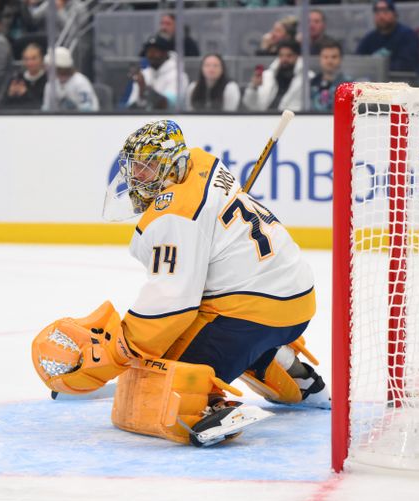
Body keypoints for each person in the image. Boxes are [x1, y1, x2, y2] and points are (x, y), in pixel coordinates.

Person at [31, 120, 329, 447]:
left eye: (147, 168)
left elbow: (172, 304)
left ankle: (209, 404)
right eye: (135, 167)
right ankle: (292, 374)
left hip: (254, 309)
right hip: (293, 297)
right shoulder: (200, 163)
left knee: (166, 373)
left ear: (171, 165)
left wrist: (119, 353)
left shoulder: (174, 213)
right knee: (171, 346)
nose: (136, 177)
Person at [355, 0, 419, 83]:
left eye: (385, 11)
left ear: (395, 14)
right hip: (376, 85)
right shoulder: (370, 38)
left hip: (406, 84)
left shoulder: (408, 35)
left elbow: (407, 65)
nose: (381, 16)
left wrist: (376, 66)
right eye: (377, 12)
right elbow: (358, 60)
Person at [124, 34, 189, 111]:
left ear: (165, 53)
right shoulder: (144, 74)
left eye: (155, 51)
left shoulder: (178, 76)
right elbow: (131, 108)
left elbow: (167, 104)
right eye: (148, 51)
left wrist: (144, 88)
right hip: (143, 121)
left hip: (171, 121)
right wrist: (140, 92)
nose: (151, 55)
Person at [243, 39, 309, 112]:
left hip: (292, 120)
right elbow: (250, 105)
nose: (284, 59)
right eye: (281, 55)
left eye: (289, 55)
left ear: (297, 56)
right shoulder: (267, 76)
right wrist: (254, 87)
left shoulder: (307, 78)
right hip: (265, 118)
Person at [41, 46, 98, 112]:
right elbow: (46, 109)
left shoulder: (80, 82)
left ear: (59, 67)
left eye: (49, 66)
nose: (46, 69)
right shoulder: (50, 85)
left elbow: (88, 110)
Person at [0, 42, 46, 109]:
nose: (30, 63)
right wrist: (9, 95)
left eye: (33, 58)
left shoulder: (47, 80)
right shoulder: (16, 79)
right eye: (26, 59)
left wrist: (25, 94)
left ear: (41, 59)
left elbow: (43, 107)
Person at [309, 39, 351, 112]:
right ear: (320, 59)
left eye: (334, 57)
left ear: (341, 59)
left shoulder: (349, 85)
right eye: (325, 57)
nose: (329, 61)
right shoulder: (310, 84)